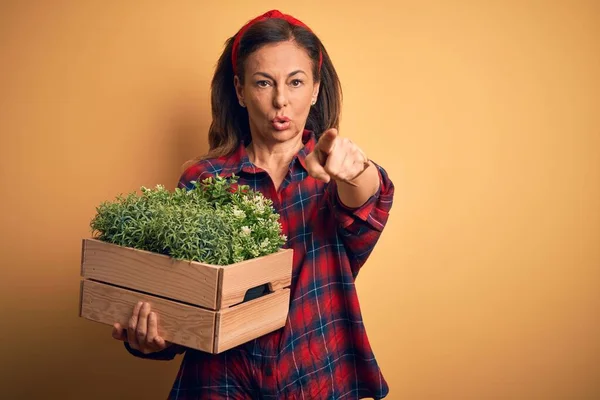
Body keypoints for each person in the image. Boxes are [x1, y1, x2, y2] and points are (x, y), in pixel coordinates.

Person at [111, 9, 394, 399]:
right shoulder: (203, 180)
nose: (281, 100)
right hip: (219, 383)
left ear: (314, 89)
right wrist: (152, 338)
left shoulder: (333, 176)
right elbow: (182, 301)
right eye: (264, 82)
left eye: (296, 82)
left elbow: (369, 199)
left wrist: (355, 168)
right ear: (241, 91)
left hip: (317, 378)